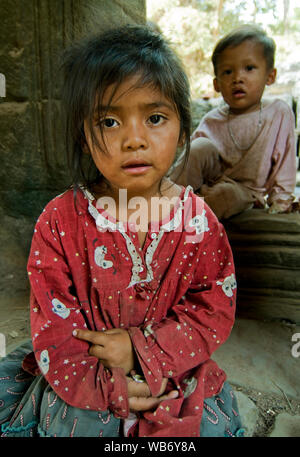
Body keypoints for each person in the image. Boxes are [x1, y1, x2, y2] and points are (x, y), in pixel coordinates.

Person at [0, 24, 244, 438]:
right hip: (84, 374)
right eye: (110, 121)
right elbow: (55, 324)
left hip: (172, 366)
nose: (134, 139)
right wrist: (107, 385)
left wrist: (141, 349)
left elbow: (212, 308)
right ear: (83, 136)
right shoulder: (59, 222)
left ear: (182, 128)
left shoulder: (198, 221)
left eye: (154, 117)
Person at [171, 24, 297, 220]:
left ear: (270, 76)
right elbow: (191, 162)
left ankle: (183, 222)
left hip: (245, 191)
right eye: (228, 72)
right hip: (209, 178)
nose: (238, 78)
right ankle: (165, 199)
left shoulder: (278, 113)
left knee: (222, 197)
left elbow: (285, 160)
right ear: (217, 84)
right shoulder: (212, 119)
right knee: (199, 146)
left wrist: (281, 199)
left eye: (249, 68)